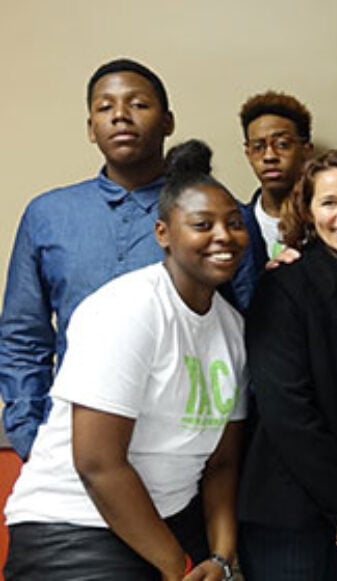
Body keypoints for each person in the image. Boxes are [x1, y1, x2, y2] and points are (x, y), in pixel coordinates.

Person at [4, 140, 247, 580]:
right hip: (74, 531)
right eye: (202, 224)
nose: (223, 236)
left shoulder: (231, 328)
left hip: (169, 527)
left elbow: (221, 463)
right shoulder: (128, 310)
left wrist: (223, 559)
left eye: (234, 223)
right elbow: (98, 463)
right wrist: (179, 567)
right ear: (163, 235)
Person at [0, 58, 257, 460]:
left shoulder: (220, 221)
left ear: (169, 121)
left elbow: (253, 332)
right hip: (72, 444)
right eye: (104, 108)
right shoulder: (48, 215)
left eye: (138, 104)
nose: (120, 116)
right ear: (90, 128)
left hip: (187, 450)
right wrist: (30, 435)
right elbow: (23, 335)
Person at [237, 149, 337, 579]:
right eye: (329, 202)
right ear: (307, 212)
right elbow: (288, 412)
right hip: (289, 513)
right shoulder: (282, 286)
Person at [238, 91, 315, 263]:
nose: (269, 156)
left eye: (282, 145)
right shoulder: (238, 225)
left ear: (306, 150)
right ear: (248, 154)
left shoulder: (326, 219)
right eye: (258, 147)